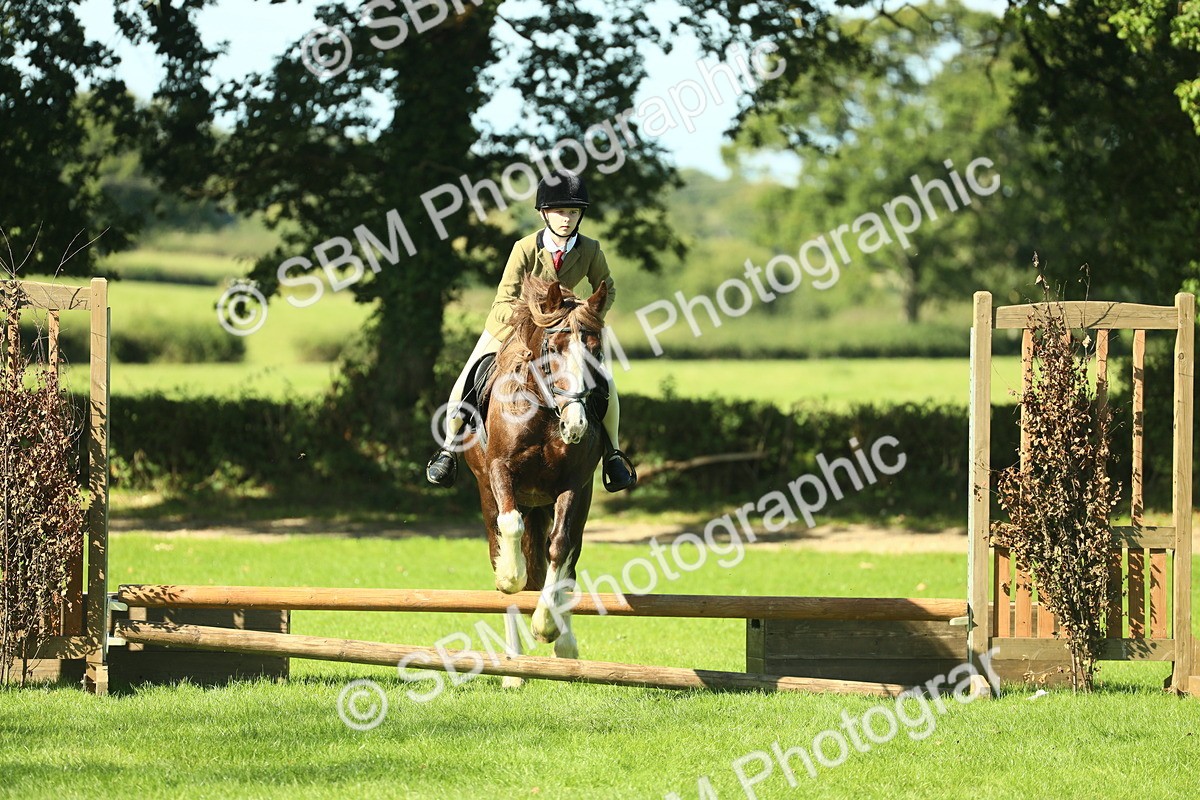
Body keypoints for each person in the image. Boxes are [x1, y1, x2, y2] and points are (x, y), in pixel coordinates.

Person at [425, 169, 637, 492]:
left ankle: (613, 454)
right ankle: (449, 449)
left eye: (573, 212)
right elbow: (502, 300)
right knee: (469, 377)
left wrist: (586, 320)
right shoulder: (524, 248)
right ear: (544, 214)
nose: (566, 219)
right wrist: (535, 321)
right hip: (515, 329)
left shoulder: (591, 249)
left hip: (569, 334)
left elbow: (608, 288)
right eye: (559, 212)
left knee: (605, 382)